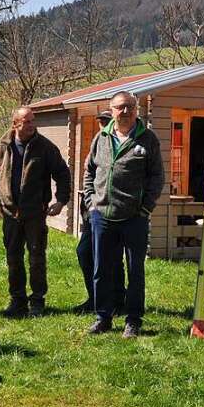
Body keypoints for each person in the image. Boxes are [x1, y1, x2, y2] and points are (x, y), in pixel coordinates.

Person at [83, 90, 164, 338]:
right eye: (120, 107)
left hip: (134, 218)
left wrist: (145, 208)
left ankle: (133, 320)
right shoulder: (101, 138)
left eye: (129, 107)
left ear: (136, 110)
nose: (125, 111)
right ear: (112, 110)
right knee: (101, 270)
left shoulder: (147, 139)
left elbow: (157, 177)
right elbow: (89, 171)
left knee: (135, 271)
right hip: (102, 216)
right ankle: (103, 317)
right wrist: (91, 203)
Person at [0, 106, 71, 318]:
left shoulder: (45, 147)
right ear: (15, 124)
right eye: (27, 121)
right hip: (10, 214)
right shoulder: (2, 147)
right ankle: (17, 300)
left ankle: (37, 301)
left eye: (33, 121)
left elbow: (62, 173)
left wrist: (61, 201)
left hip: (35, 213)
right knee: (13, 257)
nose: (32, 125)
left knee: (36, 257)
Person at [74, 113, 126, 314]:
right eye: (101, 122)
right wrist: (89, 203)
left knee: (113, 257)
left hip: (116, 210)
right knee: (85, 252)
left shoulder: (120, 145)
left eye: (106, 121)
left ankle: (118, 301)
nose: (103, 124)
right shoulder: (98, 143)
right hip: (94, 210)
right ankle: (95, 298)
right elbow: (89, 175)